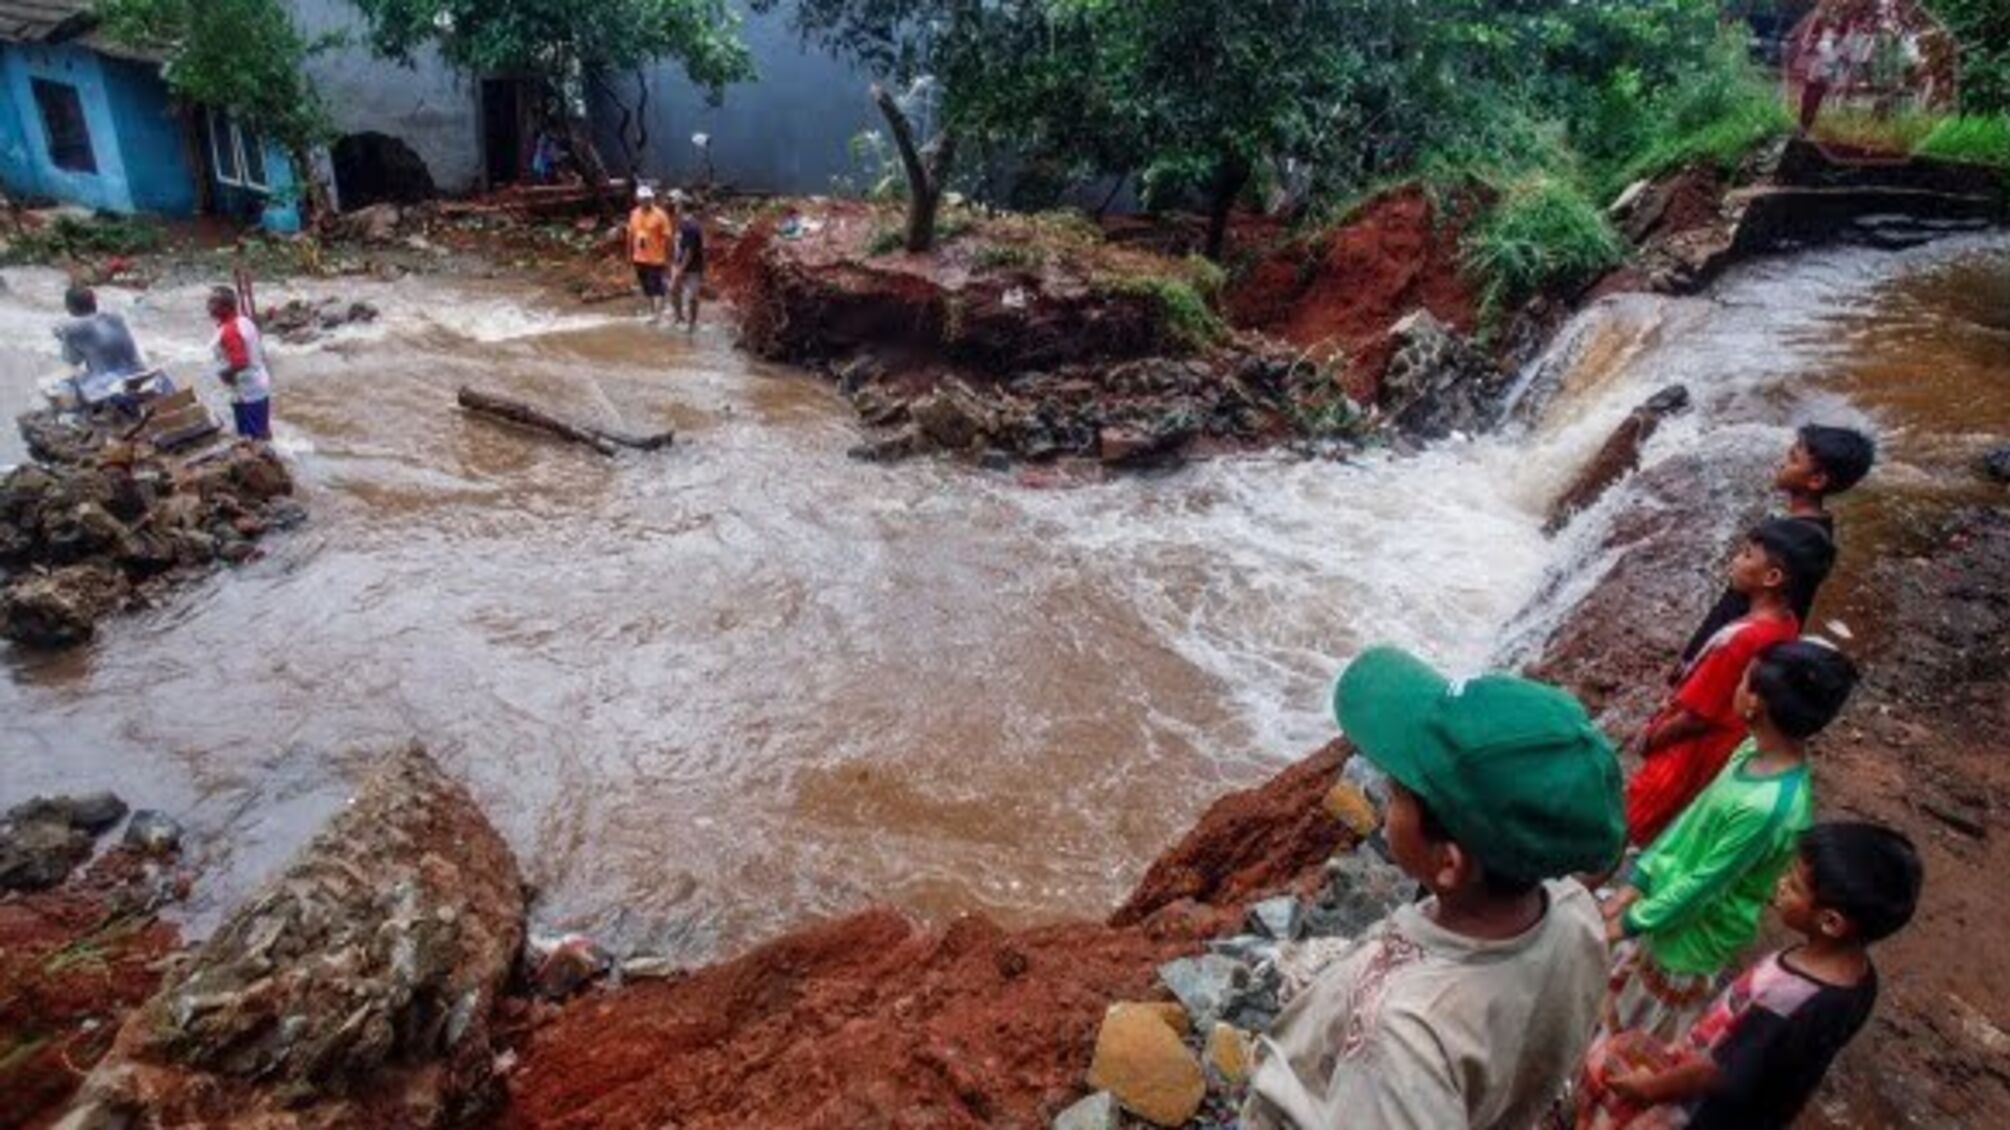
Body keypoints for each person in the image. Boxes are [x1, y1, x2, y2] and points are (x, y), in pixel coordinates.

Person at [1243, 645, 1625, 1129]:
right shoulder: (1574, 910)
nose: (1385, 794)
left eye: (1397, 791)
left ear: (1449, 861)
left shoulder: (1401, 1037)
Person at [1598, 640, 1858, 1055]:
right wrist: (1638, 882)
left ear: (1754, 703)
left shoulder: (1769, 808)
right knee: (1616, 1002)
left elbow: (1707, 884)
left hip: (1690, 938)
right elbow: (1693, 819)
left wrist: (1630, 921)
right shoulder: (1752, 748)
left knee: (1636, 1037)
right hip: (1665, 903)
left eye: (1743, 679)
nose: (1736, 686)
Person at [1576, 821, 1921, 1129]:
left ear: (1830, 922)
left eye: (1794, 885)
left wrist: (1649, 1089)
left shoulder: (1785, 995)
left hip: (1704, 1111)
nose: (1780, 884)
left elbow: (1717, 1071)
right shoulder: (1861, 978)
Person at [1627, 519, 1823, 847]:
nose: (1735, 560)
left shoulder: (1741, 639)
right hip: (1719, 746)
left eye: (1746, 555)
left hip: (1685, 752)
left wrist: (1652, 738)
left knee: (1630, 822)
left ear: (1771, 578)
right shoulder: (1786, 623)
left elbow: (1695, 716)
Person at [1677, 426, 1875, 667]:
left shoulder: (1792, 538)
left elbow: (1740, 603)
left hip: (1735, 648)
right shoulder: (1816, 531)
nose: (1782, 463)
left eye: (1793, 459)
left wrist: (1694, 657)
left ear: (1816, 480)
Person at [53, 285, 146, 406]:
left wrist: (65, 339)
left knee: (64, 385)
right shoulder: (115, 317)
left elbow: (72, 361)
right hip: (139, 372)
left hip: (110, 385)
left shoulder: (72, 329)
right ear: (94, 302)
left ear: (69, 307)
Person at [207, 286, 272, 441]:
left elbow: (241, 362)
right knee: (260, 432)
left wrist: (226, 374)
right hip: (257, 384)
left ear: (226, 308)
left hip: (247, 392)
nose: (208, 307)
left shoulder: (229, 331)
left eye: (213, 303)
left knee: (253, 438)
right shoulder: (244, 321)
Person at [626, 184, 673, 322]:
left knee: (655, 286)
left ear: (652, 199)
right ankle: (654, 310)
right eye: (643, 199)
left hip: (656, 258)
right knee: (646, 287)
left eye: (648, 199)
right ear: (638, 199)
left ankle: (657, 315)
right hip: (639, 257)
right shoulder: (634, 214)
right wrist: (629, 254)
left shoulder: (660, 215)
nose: (646, 201)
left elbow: (668, 238)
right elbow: (630, 236)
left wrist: (668, 258)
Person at [670, 194, 705, 331]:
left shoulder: (690, 226)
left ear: (681, 207)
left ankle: (692, 324)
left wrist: (680, 269)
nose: (674, 208)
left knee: (692, 295)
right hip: (681, 263)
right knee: (674, 290)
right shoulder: (682, 224)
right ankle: (679, 318)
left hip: (692, 266)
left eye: (676, 205)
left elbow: (689, 251)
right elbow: (679, 246)